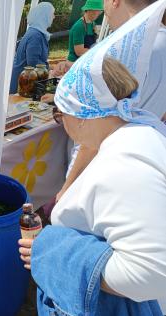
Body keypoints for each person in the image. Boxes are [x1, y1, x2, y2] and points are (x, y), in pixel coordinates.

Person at [19, 0, 166, 314]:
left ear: (83, 117)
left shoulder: (126, 162)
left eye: (63, 115)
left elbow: (152, 273)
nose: (63, 124)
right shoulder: (134, 132)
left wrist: (53, 251)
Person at [56, 0, 166, 202]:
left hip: (99, 175)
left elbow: (93, 132)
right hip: (139, 167)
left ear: (115, 1)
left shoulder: (119, 52)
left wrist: (68, 187)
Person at [9, 2, 55, 94]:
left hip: (25, 80)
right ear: (44, 16)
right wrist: (50, 69)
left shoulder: (35, 32)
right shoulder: (35, 35)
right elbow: (33, 63)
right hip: (23, 83)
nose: (54, 17)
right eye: (52, 14)